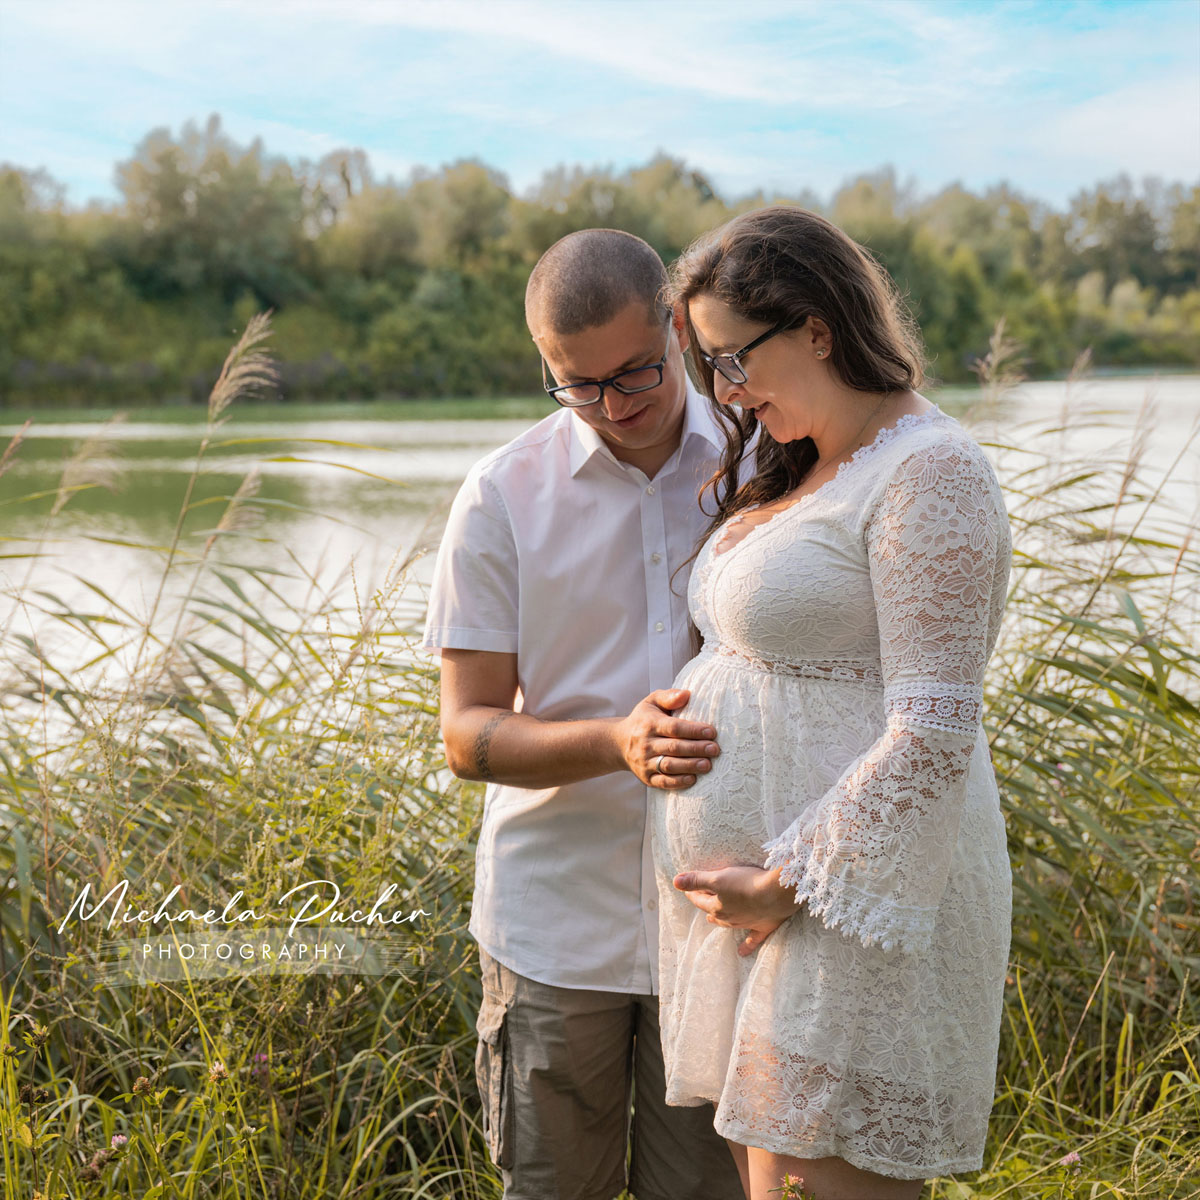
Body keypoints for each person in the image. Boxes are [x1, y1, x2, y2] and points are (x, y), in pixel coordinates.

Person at [647, 206, 1013, 1200]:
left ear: (816, 327)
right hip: (763, 914)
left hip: (850, 908)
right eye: (710, 366)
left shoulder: (930, 471)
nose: (724, 390)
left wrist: (787, 884)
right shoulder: (804, 464)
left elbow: (935, 728)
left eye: (733, 358)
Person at [421, 228, 752, 1200]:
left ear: (677, 328)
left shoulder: (764, 453)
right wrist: (615, 742)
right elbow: (466, 732)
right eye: (580, 385)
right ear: (546, 367)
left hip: (717, 920)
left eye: (638, 371)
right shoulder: (499, 496)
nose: (617, 406)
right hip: (555, 932)